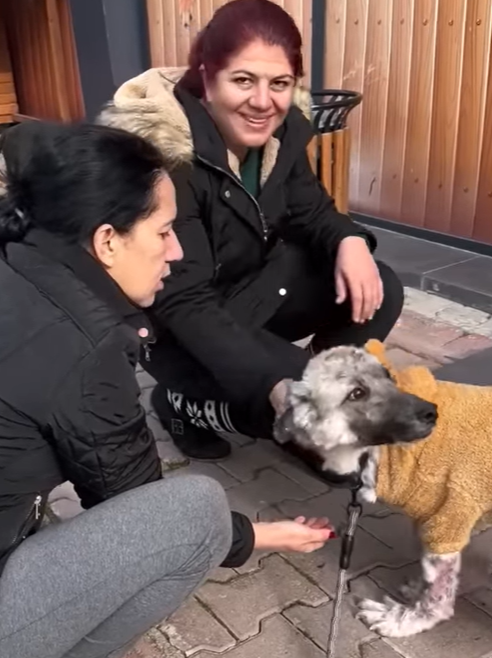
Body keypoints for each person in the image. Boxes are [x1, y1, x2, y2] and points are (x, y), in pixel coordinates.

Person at [0, 121, 335, 658]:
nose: (176, 251)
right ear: (107, 240)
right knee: (193, 508)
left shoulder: (16, 259)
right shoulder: (87, 348)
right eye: (162, 231)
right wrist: (264, 535)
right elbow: (142, 508)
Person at [98, 0, 404, 463]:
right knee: (296, 394)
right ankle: (182, 404)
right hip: (181, 323)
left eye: (279, 84)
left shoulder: (283, 133)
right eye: (243, 80)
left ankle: (300, 404)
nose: (263, 102)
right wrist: (279, 381)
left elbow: (311, 210)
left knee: (381, 288)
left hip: (257, 290)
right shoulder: (165, 155)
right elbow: (183, 299)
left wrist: (350, 240)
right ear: (207, 77)